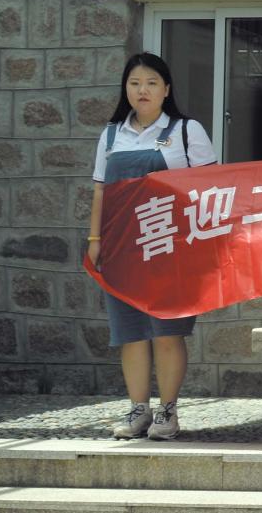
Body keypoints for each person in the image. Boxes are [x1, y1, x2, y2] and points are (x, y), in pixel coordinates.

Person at [87, 53, 218, 440]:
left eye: (151, 83)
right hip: (122, 249)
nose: (142, 90)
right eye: (134, 83)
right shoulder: (112, 134)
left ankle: (168, 412)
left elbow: (211, 189)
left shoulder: (186, 131)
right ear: (125, 89)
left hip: (170, 247)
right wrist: (95, 240)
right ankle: (138, 410)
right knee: (129, 333)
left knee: (166, 331)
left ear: (166, 90)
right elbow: (100, 191)